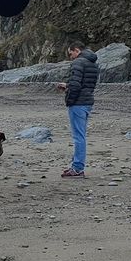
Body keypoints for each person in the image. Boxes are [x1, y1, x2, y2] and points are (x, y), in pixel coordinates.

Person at [56, 41, 98, 178]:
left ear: (76, 50)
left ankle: (78, 168)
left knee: (78, 136)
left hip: (78, 103)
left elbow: (76, 85)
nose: (70, 57)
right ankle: (76, 165)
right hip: (87, 101)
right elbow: (86, 84)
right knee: (80, 135)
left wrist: (69, 99)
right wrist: (68, 85)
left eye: (70, 53)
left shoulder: (78, 63)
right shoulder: (92, 62)